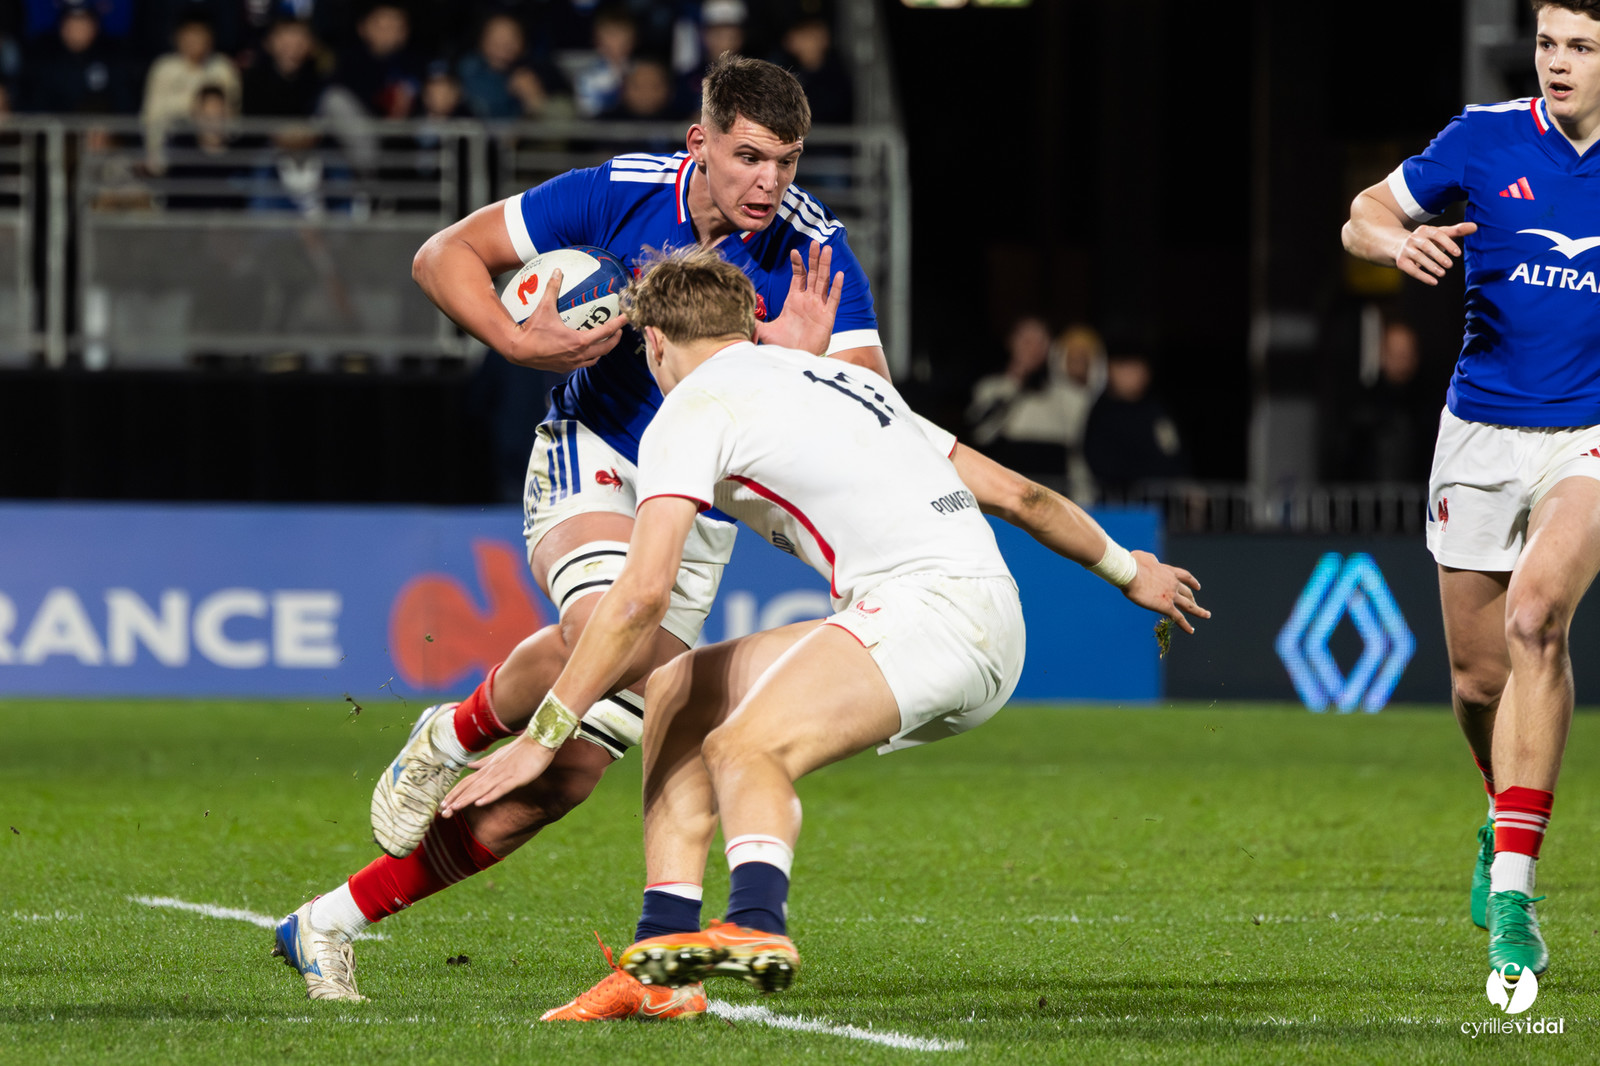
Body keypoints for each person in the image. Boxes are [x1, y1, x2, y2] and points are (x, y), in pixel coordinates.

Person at [436, 246, 1207, 1017]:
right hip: (971, 614)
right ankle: (659, 969)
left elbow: (640, 597)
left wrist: (544, 733)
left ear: (657, 344)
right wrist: (1129, 572)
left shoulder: (690, 409)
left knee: (745, 745)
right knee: (679, 689)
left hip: (928, 615)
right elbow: (1023, 497)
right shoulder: (850, 382)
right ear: (747, 327)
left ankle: (755, 922)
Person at [271, 54, 888, 1003]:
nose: (770, 183)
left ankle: (327, 922)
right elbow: (444, 256)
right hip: (597, 450)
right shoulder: (617, 195)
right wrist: (518, 342)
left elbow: (874, 409)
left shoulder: (813, 248)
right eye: (750, 157)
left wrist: (802, 366)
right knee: (604, 618)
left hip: (699, 506)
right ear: (701, 143)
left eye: (789, 162)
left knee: (559, 785)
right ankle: (456, 731)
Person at [1340, 0, 1600, 981]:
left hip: (1589, 437)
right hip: (1481, 434)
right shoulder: (1484, 138)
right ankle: (1501, 811)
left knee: (1539, 620)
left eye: (1580, 46)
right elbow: (1362, 212)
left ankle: (1515, 894)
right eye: (1547, 43)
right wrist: (1390, 244)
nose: (1558, 62)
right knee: (1478, 681)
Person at [965, 314, 1089, 484]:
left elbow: (1079, 454)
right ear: (1011, 342)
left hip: (1054, 491)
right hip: (1008, 489)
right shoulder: (990, 388)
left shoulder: (1067, 395)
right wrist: (1014, 381)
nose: (1032, 348)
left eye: (1040, 341)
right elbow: (981, 434)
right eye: (1025, 341)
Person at [1082, 347, 1186, 501]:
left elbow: (1172, 451)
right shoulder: (1102, 410)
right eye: (1125, 368)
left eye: (1138, 368)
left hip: (1157, 504)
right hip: (1112, 502)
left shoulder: (1156, 410)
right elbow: (1097, 457)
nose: (1133, 375)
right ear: (1111, 371)